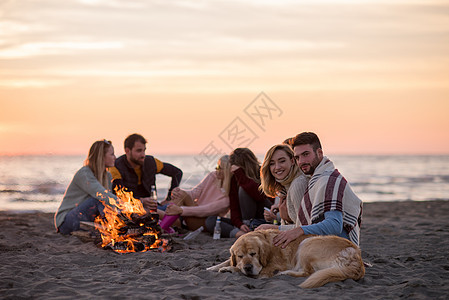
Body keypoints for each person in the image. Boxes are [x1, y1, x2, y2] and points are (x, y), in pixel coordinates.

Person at [267, 132, 363, 248]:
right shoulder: (317, 179)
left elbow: (334, 225)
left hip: (336, 249)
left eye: (306, 154)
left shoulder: (328, 179)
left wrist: (297, 230)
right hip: (325, 244)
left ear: (319, 153)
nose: (301, 161)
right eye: (297, 157)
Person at [205, 148, 273, 238]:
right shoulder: (235, 179)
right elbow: (234, 208)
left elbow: (259, 196)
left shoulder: (262, 173)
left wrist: (240, 174)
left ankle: (248, 227)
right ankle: (241, 233)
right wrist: (239, 224)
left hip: (263, 217)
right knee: (210, 221)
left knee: (243, 190)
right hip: (244, 223)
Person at [109, 133, 183, 215]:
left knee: (181, 207)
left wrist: (169, 198)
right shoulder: (116, 167)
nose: (143, 155)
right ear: (127, 151)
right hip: (129, 210)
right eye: (139, 151)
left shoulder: (151, 162)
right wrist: (141, 201)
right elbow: (119, 195)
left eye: (144, 150)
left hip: (154, 208)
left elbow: (177, 173)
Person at [54, 139, 117, 235]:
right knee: (99, 199)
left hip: (87, 220)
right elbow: (100, 193)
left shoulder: (107, 176)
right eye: (112, 154)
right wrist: (125, 205)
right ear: (101, 157)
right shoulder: (84, 174)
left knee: (107, 204)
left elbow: (110, 202)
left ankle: (115, 229)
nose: (115, 157)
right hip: (66, 221)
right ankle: (113, 230)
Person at [164, 155, 232, 231]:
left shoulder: (229, 196)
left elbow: (206, 210)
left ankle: (164, 227)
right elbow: (194, 193)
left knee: (166, 211)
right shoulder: (213, 176)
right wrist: (179, 191)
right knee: (179, 194)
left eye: (219, 167)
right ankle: (165, 226)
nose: (216, 169)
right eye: (216, 166)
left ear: (227, 171)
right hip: (192, 213)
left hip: (204, 222)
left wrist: (181, 210)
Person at [257, 144, 309, 229]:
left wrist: (275, 228)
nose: (277, 167)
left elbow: (306, 227)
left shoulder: (298, 184)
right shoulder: (285, 187)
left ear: (292, 161)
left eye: (282, 161)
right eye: (272, 163)